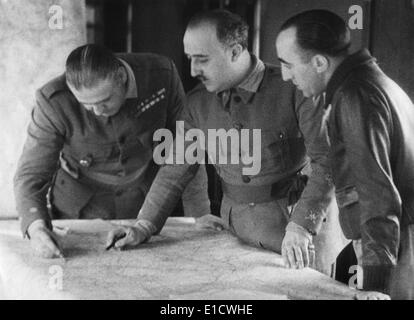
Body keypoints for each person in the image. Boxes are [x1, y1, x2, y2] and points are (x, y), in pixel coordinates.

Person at [106, 9, 347, 275]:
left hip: (297, 236)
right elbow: (175, 169)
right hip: (238, 234)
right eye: (189, 59)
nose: (193, 70)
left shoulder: (294, 88)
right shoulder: (197, 103)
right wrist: (143, 226)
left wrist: (301, 225)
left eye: (202, 60)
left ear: (234, 51)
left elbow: (328, 162)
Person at [14, 44, 209, 259]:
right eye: (87, 105)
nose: (98, 111)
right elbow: (31, 174)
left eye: (104, 100)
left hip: (149, 201)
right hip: (80, 210)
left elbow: (186, 150)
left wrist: (197, 215)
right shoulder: (52, 101)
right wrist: (36, 228)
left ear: (121, 77)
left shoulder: (161, 75)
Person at [275, 9, 414, 300]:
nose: (286, 76)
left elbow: (377, 196)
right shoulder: (371, 83)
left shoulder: (355, 95)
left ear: (319, 62)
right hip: (396, 242)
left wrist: (375, 285)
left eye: (288, 65)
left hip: (397, 247)